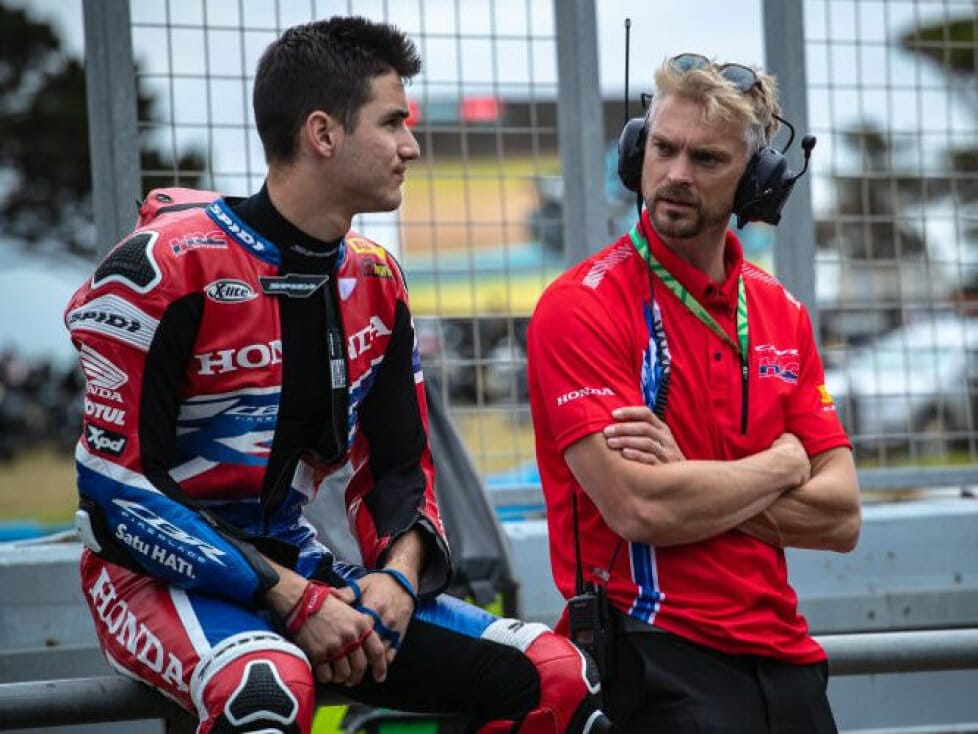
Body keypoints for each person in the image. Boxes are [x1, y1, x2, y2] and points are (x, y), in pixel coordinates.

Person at [65, 16, 609, 734]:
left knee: (558, 677)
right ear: (323, 134)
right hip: (154, 578)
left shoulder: (375, 278)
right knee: (267, 693)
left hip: (304, 574)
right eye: (393, 124)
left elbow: (400, 469)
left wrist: (398, 581)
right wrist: (287, 596)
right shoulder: (160, 269)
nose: (411, 147)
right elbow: (116, 493)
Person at [526, 53, 861, 733]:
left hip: (786, 655)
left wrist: (693, 486)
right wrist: (783, 466)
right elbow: (640, 506)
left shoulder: (780, 312)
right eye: (663, 148)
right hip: (655, 655)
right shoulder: (580, 307)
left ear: (756, 181)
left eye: (706, 159)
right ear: (635, 152)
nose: (676, 174)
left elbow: (842, 517)